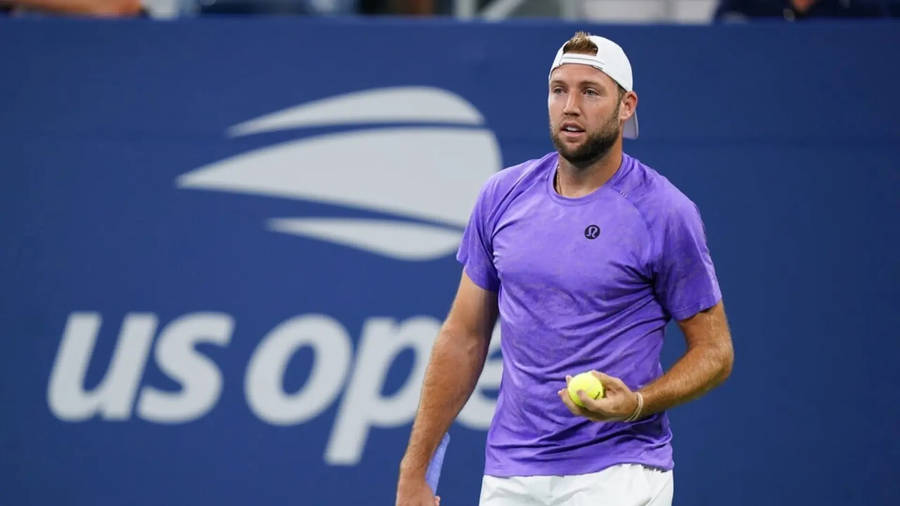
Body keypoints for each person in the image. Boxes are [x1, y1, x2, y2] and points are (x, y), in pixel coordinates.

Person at [396, 31, 734, 506]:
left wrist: (636, 404)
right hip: (511, 474)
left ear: (626, 105)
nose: (571, 106)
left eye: (590, 92)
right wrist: (416, 469)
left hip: (619, 472)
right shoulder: (502, 196)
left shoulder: (664, 212)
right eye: (560, 90)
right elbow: (464, 337)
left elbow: (715, 352)